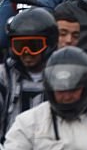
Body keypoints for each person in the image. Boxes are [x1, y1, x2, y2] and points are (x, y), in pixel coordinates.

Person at [0, 8, 57, 142]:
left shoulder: (63, 75)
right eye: (19, 46)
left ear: (50, 44)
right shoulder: (3, 75)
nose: (26, 52)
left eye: (34, 45)